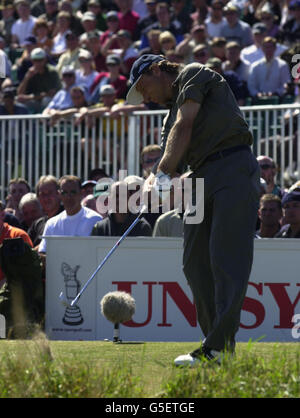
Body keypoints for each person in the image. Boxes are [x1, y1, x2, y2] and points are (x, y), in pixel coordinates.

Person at [126, 54, 260, 365]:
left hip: (232, 166)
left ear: (157, 70)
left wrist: (161, 172)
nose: (144, 96)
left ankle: (216, 347)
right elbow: (172, 162)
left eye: (142, 87)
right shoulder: (166, 116)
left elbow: (186, 125)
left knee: (227, 259)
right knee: (194, 262)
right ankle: (217, 347)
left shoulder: (194, 73)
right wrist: (156, 182)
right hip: (200, 179)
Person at [38, 175, 102, 254]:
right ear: (59, 194)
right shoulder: (51, 224)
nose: (68, 197)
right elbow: (42, 252)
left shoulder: (95, 220)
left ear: (81, 193)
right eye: (64, 193)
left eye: (73, 192)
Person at [17, 47, 62, 113]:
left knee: (46, 100)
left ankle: (47, 122)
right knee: (19, 101)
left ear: (45, 60)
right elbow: (20, 94)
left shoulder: (52, 72)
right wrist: (26, 78)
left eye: (40, 60)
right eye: (35, 60)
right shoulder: (30, 72)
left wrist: (30, 97)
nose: (38, 63)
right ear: (32, 61)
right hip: (35, 101)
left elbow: (51, 94)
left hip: (51, 103)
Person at [247, 36, 291, 100]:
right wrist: (257, 94)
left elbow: (285, 84)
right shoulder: (255, 66)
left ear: (275, 48)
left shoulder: (282, 65)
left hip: (277, 101)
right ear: (262, 48)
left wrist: (276, 93)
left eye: (270, 47)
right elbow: (251, 85)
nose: (268, 49)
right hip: (258, 101)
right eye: (266, 47)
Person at [27, 175, 64, 247]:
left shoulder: (68, 219)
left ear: (58, 194)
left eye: (50, 193)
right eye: (42, 194)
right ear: (38, 197)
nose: (46, 198)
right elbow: (28, 251)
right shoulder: (37, 224)